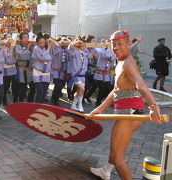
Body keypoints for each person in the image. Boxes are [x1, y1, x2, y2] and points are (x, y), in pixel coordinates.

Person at [89, 30, 162, 180]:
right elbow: (116, 91)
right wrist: (99, 109)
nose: (116, 47)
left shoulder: (128, 63)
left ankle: (112, 170)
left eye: (120, 44)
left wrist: (154, 106)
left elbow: (140, 84)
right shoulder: (121, 61)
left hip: (129, 114)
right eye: (113, 44)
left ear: (129, 44)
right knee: (116, 147)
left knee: (118, 157)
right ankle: (105, 171)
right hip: (128, 112)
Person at [32, 33, 54, 103]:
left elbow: (56, 51)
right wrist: (49, 48)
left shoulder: (47, 48)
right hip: (37, 72)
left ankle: (41, 107)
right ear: (37, 43)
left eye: (44, 42)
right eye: (40, 43)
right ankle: (36, 106)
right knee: (40, 91)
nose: (42, 44)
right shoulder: (36, 49)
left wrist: (51, 42)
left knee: (44, 92)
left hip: (46, 73)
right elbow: (45, 58)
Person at [93, 42, 116, 106]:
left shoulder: (110, 52)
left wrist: (112, 51)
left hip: (105, 74)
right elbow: (106, 55)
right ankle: (98, 102)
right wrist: (109, 48)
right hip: (100, 73)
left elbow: (112, 59)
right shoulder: (102, 51)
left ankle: (106, 101)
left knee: (108, 88)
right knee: (101, 88)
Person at [15, 32, 35, 102]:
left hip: (31, 70)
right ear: (20, 39)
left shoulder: (32, 46)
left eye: (27, 37)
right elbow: (22, 56)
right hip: (22, 70)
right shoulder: (18, 47)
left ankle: (30, 102)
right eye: (24, 37)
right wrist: (28, 48)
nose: (26, 39)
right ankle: (21, 103)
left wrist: (31, 48)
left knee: (33, 88)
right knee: (22, 89)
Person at [69, 40, 88, 112]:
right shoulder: (75, 53)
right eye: (83, 46)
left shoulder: (85, 54)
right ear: (79, 46)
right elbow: (70, 47)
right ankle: (80, 105)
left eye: (85, 46)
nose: (84, 47)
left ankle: (73, 105)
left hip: (83, 75)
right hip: (76, 75)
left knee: (80, 91)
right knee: (82, 89)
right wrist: (77, 41)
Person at [50, 37, 70, 106]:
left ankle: (56, 100)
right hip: (55, 70)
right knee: (58, 85)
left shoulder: (67, 50)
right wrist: (58, 44)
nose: (66, 44)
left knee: (60, 86)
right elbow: (52, 55)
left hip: (63, 72)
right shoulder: (56, 47)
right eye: (65, 42)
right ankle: (52, 100)